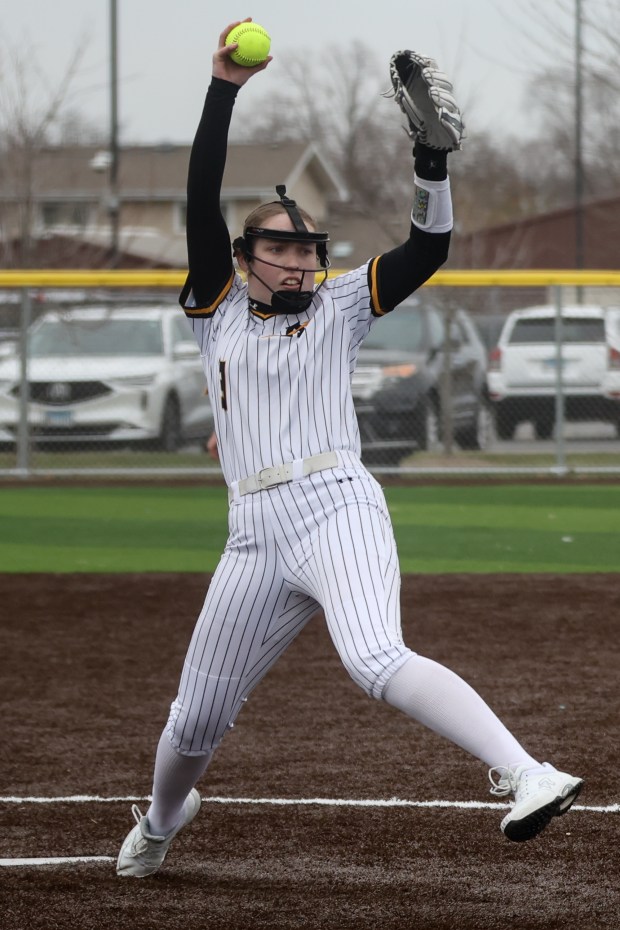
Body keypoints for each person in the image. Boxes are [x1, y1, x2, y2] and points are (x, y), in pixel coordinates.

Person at [117, 19, 582, 878]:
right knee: (194, 721)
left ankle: (528, 772)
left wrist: (430, 168)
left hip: (336, 504)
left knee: (374, 656)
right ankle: (159, 818)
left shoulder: (339, 303)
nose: (298, 262)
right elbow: (199, 194)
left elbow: (429, 248)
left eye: (306, 249)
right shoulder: (216, 306)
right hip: (252, 530)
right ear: (244, 258)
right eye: (280, 249)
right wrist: (222, 89)